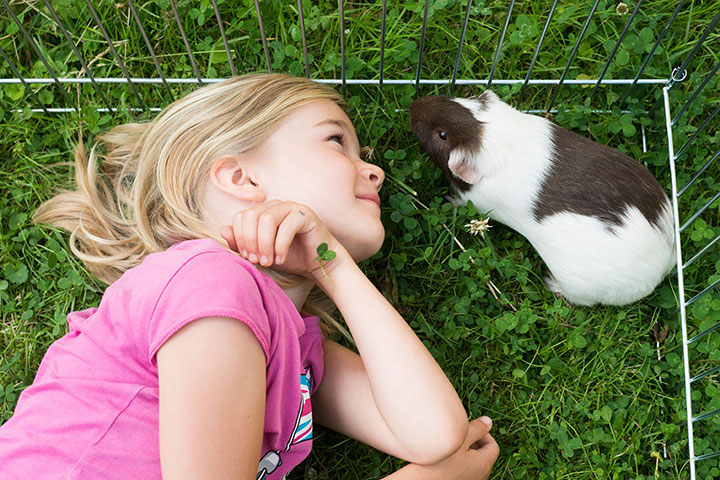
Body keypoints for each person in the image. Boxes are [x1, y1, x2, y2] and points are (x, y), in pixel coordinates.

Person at [0, 74, 499, 479]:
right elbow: (439, 458)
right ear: (242, 178)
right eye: (336, 141)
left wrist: (333, 264)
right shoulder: (210, 283)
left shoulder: (294, 344)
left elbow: (435, 433)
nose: (375, 172)